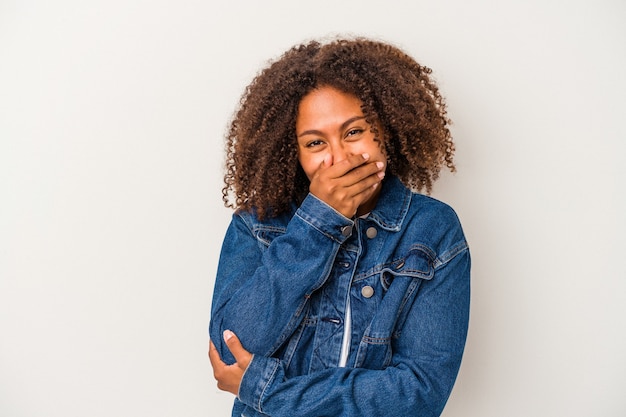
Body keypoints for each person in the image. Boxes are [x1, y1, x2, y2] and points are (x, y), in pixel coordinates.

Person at [208, 37, 470, 417]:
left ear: (386, 129)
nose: (339, 159)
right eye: (315, 143)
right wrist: (319, 223)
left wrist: (269, 389)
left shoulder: (432, 231)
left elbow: (418, 394)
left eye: (353, 132)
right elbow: (228, 351)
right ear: (292, 154)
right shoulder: (258, 224)